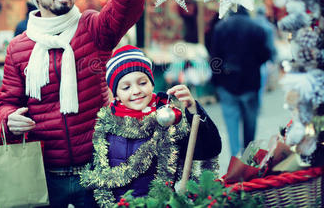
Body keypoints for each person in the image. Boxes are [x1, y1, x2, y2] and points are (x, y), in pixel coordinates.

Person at [0, 0, 145, 208]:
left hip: (99, 168)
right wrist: (9, 118)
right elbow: (6, 102)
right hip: (44, 176)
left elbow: (127, 6)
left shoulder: (91, 27)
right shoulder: (18, 48)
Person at [80, 45, 222, 207]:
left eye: (142, 83)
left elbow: (208, 149)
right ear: (116, 93)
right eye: (126, 87)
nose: (136, 91)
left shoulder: (169, 120)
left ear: (151, 83)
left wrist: (193, 109)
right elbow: (98, 177)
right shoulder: (105, 126)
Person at [211, 5, 271, 157]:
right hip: (250, 82)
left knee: (231, 123)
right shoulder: (257, 28)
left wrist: (217, 81)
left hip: (226, 82)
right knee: (250, 123)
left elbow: (214, 58)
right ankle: (248, 157)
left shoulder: (220, 27)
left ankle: (234, 157)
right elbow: (265, 54)